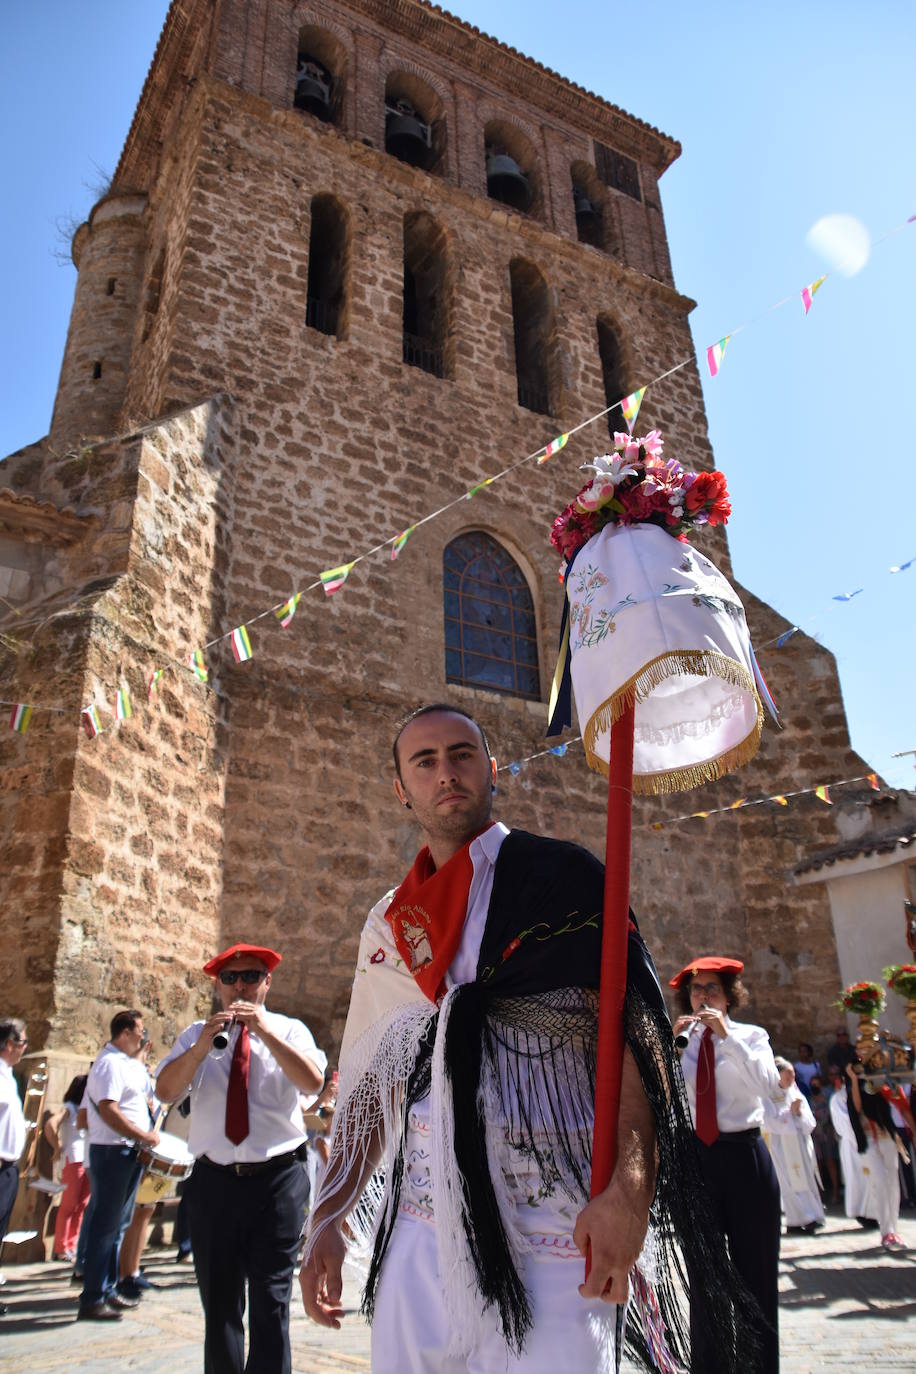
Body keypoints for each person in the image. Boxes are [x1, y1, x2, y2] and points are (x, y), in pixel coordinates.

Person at [302, 704, 756, 1374]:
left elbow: (635, 1038)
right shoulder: (391, 924)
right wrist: (330, 1218)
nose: (445, 773)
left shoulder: (565, 879)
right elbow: (376, 1080)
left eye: (461, 755)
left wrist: (630, 1193)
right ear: (401, 789)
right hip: (422, 1241)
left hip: (560, 1231)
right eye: (423, 762)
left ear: (493, 771)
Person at [156, 942, 326, 1374]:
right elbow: (165, 1090)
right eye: (229, 979)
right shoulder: (197, 1033)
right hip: (214, 1182)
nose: (240, 987)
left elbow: (312, 1081)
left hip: (277, 1181)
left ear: (267, 983)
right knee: (220, 1306)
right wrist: (198, 1048)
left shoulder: (290, 1031)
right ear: (218, 986)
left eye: (251, 977)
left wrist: (263, 1030)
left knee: (271, 1303)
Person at [670, 956, 782, 1374]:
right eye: (696, 990)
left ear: (729, 995)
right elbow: (662, 1100)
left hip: (745, 1158)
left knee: (756, 1279)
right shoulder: (682, 1041)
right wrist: (665, 1048)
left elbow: (768, 1087)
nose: (703, 996)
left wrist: (726, 1039)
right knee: (705, 1282)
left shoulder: (751, 1037)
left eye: (711, 988)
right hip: (696, 1163)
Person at [79, 1009, 159, 1321]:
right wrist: (142, 1135)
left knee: (117, 1226)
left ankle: (107, 1289)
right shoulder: (109, 1062)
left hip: (126, 1152)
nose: (143, 1035)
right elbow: (108, 1109)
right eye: (140, 1030)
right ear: (124, 1032)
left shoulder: (124, 1063)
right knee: (105, 1226)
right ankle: (93, 1297)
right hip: (113, 1152)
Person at [843, 1063, 907, 1250]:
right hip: (869, 1140)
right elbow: (857, 1106)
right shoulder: (853, 1091)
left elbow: (896, 1099)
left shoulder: (880, 1087)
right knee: (879, 1181)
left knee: (893, 1184)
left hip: (887, 1137)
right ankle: (886, 1231)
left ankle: (894, 1229)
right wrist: (855, 1080)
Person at [763, 1058, 824, 1233]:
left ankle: (810, 1216)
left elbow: (810, 1122)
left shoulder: (796, 1093)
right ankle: (799, 1219)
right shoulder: (768, 1096)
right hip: (781, 1145)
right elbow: (768, 1122)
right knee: (790, 1182)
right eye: (788, 1074)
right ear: (778, 1075)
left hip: (800, 1144)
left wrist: (797, 1113)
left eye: (793, 1075)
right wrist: (790, 1113)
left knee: (805, 1179)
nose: (792, 1078)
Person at [0, 1018, 29, 1319]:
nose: (24, 1048)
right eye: (23, 1042)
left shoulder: (7, 1074)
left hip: (8, 1168)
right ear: (9, 1043)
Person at [44, 1073, 90, 1262]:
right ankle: (61, 1247)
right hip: (73, 1159)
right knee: (69, 1205)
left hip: (87, 1160)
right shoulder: (70, 1108)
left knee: (82, 1205)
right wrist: (57, 1146)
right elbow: (51, 1124)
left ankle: (72, 1244)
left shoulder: (87, 1110)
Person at [807, 1074, 840, 1206]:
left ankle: (836, 1192)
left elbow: (829, 1115)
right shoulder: (809, 1101)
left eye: (817, 1084)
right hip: (815, 1135)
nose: (815, 1086)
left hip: (827, 1134)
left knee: (830, 1162)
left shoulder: (827, 1100)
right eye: (813, 1084)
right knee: (818, 1164)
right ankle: (820, 1194)